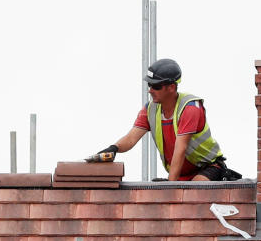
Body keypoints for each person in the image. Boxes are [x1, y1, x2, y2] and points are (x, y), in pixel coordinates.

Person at [86, 58, 239, 181]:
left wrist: (170, 188)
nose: (150, 90)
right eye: (149, 85)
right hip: (181, 175)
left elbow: (180, 150)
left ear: (171, 87)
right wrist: (113, 149)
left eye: (156, 86)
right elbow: (131, 138)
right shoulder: (150, 109)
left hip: (207, 168)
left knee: (195, 191)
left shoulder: (190, 108)